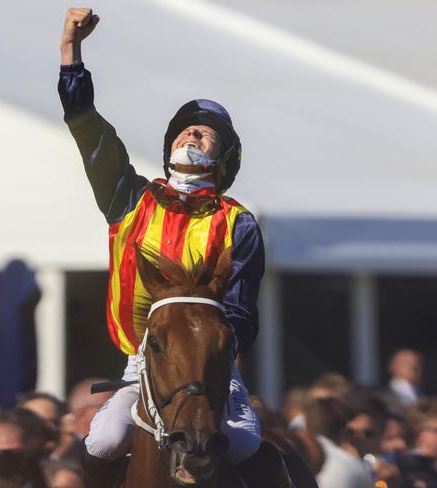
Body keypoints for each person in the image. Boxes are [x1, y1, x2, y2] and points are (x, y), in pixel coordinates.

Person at [58, 7, 286, 487]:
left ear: (222, 160)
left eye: (206, 132)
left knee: (245, 443)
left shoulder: (239, 223)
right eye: (185, 128)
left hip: (212, 362)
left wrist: (212, 358)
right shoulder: (129, 197)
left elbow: (242, 315)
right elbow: (87, 127)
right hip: (144, 357)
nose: (193, 133)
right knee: (102, 440)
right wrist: (70, 52)